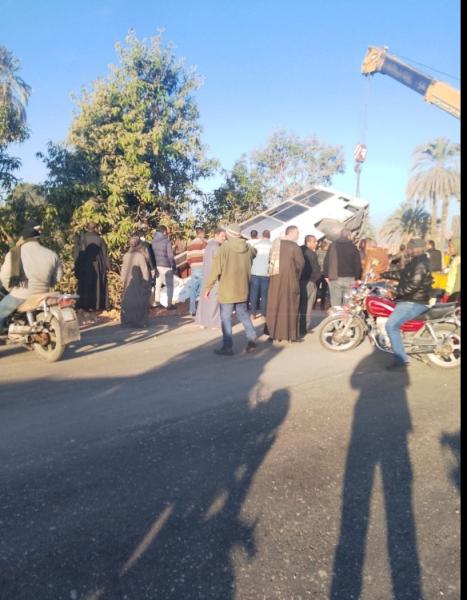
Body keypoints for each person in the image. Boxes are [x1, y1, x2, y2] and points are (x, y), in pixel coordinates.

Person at [203, 224, 257, 355]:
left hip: (227, 290)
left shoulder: (224, 248)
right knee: (243, 314)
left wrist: (208, 287)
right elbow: (254, 252)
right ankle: (252, 339)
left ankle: (228, 347)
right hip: (242, 288)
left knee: (226, 318)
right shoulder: (248, 248)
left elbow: (215, 270)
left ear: (228, 234)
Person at [380, 238, 433, 370]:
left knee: (391, 325)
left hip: (414, 301)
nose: (407, 250)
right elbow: (402, 274)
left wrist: (395, 293)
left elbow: (413, 285)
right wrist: (383, 274)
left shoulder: (421, 263)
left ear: (417, 249)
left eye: (410, 248)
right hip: (410, 299)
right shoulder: (415, 261)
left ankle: (401, 360)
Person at [0, 221, 62, 330]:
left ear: (23, 237)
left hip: (21, 295)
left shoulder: (14, 253)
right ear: (38, 237)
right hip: (44, 294)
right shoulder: (52, 254)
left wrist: (11, 290)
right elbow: (58, 277)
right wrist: (45, 285)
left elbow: (4, 276)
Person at [265, 225, 305, 342]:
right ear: (291, 233)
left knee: (274, 305)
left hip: (275, 279)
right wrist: (296, 275)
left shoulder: (275, 245)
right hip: (289, 279)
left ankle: (272, 333)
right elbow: (300, 264)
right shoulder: (294, 246)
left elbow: (269, 261)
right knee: (290, 306)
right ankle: (290, 335)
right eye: (297, 233)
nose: (298, 236)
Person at [73, 222, 110, 311]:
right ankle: (97, 305)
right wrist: (108, 267)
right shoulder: (100, 239)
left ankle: (84, 305)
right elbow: (105, 255)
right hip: (98, 266)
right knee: (97, 284)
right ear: (95, 228)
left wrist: (76, 267)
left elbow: (77, 254)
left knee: (84, 285)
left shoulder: (81, 239)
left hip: (84, 265)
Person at [195, 227, 226, 328]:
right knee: (214, 299)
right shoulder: (217, 246)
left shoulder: (209, 245)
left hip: (206, 274)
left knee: (204, 299)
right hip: (214, 276)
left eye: (224, 236)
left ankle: (202, 321)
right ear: (216, 235)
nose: (224, 238)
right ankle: (214, 323)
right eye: (222, 236)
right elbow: (219, 264)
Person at [323, 228, 362, 307]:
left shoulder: (333, 245)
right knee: (347, 305)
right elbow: (357, 264)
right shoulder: (353, 247)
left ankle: (336, 315)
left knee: (335, 304)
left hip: (335, 278)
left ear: (340, 235)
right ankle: (345, 315)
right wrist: (357, 278)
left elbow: (327, 261)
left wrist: (326, 275)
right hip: (350, 279)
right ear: (349, 236)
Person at [120, 236, 152, 329]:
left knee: (128, 302)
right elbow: (144, 270)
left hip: (128, 283)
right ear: (139, 245)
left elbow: (123, 270)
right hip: (138, 282)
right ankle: (139, 321)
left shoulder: (126, 255)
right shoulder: (140, 256)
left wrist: (123, 281)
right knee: (139, 302)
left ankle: (127, 321)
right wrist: (146, 282)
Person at [299, 234, 321, 336]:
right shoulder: (312, 254)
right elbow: (316, 269)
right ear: (308, 242)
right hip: (309, 282)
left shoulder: (299, 250)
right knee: (307, 305)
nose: (316, 243)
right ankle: (304, 327)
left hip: (300, 281)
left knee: (301, 305)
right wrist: (316, 278)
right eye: (314, 241)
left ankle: (300, 326)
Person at [151, 225, 176, 310]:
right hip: (166, 266)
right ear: (164, 232)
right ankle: (169, 304)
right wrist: (174, 266)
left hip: (157, 266)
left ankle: (157, 302)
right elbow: (170, 256)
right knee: (170, 285)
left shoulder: (153, 242)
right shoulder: (167, 241)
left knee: (157, 284)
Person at [248, 229, 272, 318]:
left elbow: (251, 257)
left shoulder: (256, 245)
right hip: (266, 273)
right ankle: (263, 313)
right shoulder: (272, 245)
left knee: (254, 294)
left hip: (254, 271)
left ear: (262, 235)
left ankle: (253, 313)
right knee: (264, 295)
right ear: (269, 236)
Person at [187, 227, 207, 316]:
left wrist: (192, 265)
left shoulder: (190, 244)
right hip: (202, 267)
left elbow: (188, 258)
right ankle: (203, 310)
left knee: (193, 290)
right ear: (202, 233)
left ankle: (192, 310)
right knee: (204, 289)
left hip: (194, 268)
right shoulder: (203, 243)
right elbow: (206, 256)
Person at [444, 237, 460, 302]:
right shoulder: (457, 258)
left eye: (450, 247)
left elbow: (454, 279)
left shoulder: (457, 260)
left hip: (454, 294)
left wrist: (448, 292)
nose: (449, 249)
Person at [316, 238, 330, 309]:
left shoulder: (328, 253)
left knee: (323, 289)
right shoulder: (318, 252)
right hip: (320, 273)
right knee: (318, 288)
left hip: (324, 273)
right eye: (327, 245)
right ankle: (317, 304)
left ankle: (322, 304)